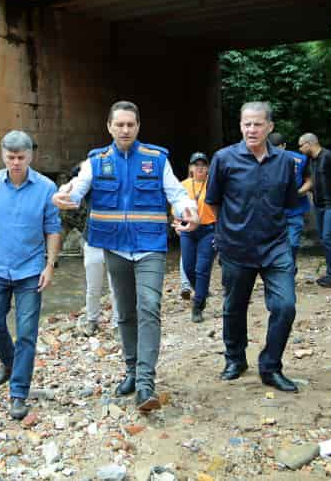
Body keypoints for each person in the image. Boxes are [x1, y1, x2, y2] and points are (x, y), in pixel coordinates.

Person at [54, 101, 199, 412]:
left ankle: (146, 382)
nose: (125, 129)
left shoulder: (156, 159)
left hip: (150, 246)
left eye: (130, 124)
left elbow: (177, 194)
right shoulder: (96, 161)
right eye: (119, 124)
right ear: (109, 127)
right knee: (124, 312)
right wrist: (64, 199)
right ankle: (131, 371)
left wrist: (190, 212)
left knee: (149, 306)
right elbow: (76, 191)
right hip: (114, 247)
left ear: (138, 127)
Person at [0, 130, 62, 420]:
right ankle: (8, 362)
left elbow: (53, 228)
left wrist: (50, 265)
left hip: (31, 271)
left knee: (27, 334)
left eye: (20, 157)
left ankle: (18, 393)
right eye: (10, 157)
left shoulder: (46, 187)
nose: (16, 163)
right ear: (3, 156)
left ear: (30, 156)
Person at [206, 102, 301, 392]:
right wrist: (224, 234)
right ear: (240, 126)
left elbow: (289, 203)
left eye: (257, 124)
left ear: (269, 127)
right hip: (236, 246)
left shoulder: (286, 161)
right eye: (246, 124)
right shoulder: (224, 159)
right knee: (234, 307)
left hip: (275, 246)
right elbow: (213, 201)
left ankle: (270, 367)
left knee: (285, 306)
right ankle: (235, 358)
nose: (251, 129)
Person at [65, 161, 119, 337]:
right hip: (93, 240)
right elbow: (72, 185)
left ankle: (118, 324)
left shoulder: (116, 182)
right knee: (93, 286)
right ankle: (92, 321)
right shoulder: (85, 185)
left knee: (116, 286)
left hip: (115, 241)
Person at [297, 133, 331, 287]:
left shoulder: (329, 156)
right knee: (325, 239)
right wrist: (297, 193)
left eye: (301, 145)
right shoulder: (312, 161)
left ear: (309, 143)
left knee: (328, 238)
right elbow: (312, 182)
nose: (300, 149)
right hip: (319, 204)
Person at [178, 152, 218, 323]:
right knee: (188, 267)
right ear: (191, 168)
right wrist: (177, 223)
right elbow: (176, 206)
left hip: (208, 229)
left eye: (203, 165)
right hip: (188, 230)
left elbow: (222, 207)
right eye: (196, 165)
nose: (200, 168)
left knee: (202, 268)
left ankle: (198, 305)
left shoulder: (214, 185)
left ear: (208, 168)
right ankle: (202, 290)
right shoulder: (183, 185)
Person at [267, 133, 313, 266]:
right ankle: (282, 272)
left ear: (284, 146)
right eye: (272, 147)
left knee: (292, 244)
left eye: (278, 147)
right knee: (275, 247)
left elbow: (309, 181)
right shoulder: (263, 161)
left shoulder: (300, 160)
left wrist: (298, 192)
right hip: (274, 213)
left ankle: (290, 269)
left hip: (295, 210)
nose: (275, 151)